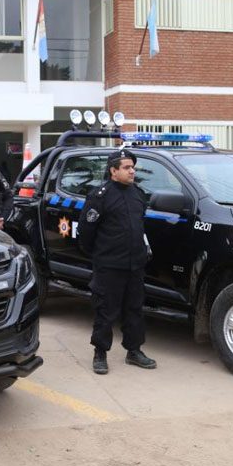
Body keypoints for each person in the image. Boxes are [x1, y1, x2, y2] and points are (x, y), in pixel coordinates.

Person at [78, 148, 155, 375]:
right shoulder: (99, 196)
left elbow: (140, 227)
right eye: (127, 168)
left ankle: (134, 351)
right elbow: (86, 232)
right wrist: (101, 256)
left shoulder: (138, 194)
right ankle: (100, 353)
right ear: (113, 171)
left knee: (134, 309)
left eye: (133, 167)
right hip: (109, 264)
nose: (132, 171)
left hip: (135, 264)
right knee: (105, 310)